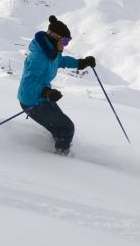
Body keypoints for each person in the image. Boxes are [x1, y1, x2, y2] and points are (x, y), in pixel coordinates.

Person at [17, 14, 96, 155]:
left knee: (61, 127)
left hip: (42, 98)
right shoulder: (39, 57)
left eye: (67, 42)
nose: (65, 45)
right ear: (54, 37)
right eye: (64, 41)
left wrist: (81, 63)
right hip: (31, 100)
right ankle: (59, 159)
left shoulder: (52, 51)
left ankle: (58, 149)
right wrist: (46, 92)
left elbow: (60, 61)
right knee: (66, 127)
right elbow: (28, 83)